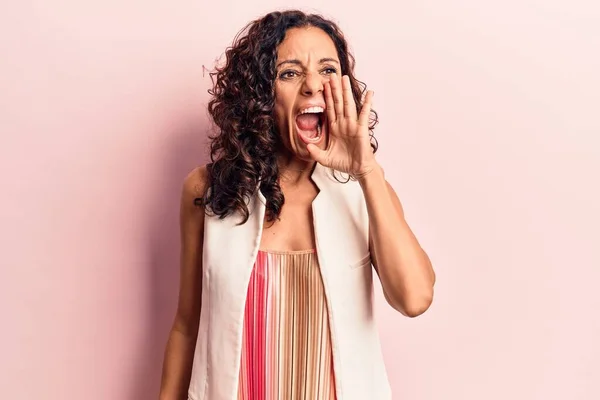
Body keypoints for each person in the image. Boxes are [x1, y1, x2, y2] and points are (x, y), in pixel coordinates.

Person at [159, 9, 436, 400]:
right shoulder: (207, 190)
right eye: (289, 73)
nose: (313, 86)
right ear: (259, 94)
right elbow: (187, 325)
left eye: (327, 70)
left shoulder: (365, 190)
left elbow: (414, 298)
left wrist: (367, 170)